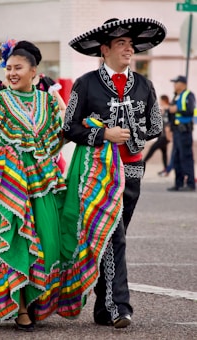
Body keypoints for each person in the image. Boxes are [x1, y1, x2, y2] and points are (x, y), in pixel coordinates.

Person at [62, 17, 166, 328]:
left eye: (131, 44)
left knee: (113, 236)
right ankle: (118, 306)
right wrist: (103, 135)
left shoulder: (145, 85)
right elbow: (68, 127)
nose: (129, 49)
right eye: (121, 43)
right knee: (114, 235)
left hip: (131, 170)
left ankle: (104, 307)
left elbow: (156, 126)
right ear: (104, 49)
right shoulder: (85, 83)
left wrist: (134, 131)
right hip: (97, 171)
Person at [0, 39, 67, 331]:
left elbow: (58, 136)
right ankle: (21, 308)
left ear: (34, 71)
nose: (11, 73)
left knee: (47, 241)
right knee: (15, 239)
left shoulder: (48, 102)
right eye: (8, 68)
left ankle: (36, 295)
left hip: (42, 180)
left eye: (18, 67)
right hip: (10, 183)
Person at [167, 75, 196, 192]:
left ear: (183, 84)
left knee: (186, 157)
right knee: (176, 158)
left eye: (176, 82)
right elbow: (171, 114)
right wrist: (168, 127)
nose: (174, 84)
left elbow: (190, 110)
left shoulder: (189, 95)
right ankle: (178, 183)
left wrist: (176, 109)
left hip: (185, 132)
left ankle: (190, 183)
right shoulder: (176, 96)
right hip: (177, 131)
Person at [144, 94, 172, 174]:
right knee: (164, 153)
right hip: (162, 136)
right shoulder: (165, 109)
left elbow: (167, 124)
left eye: (161, 100)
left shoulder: (167, 110)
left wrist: (168, 136)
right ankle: (166, 170)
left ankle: (142, 164)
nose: (160, 102)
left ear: (164, 100)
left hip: (164, 136)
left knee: (152, 148)